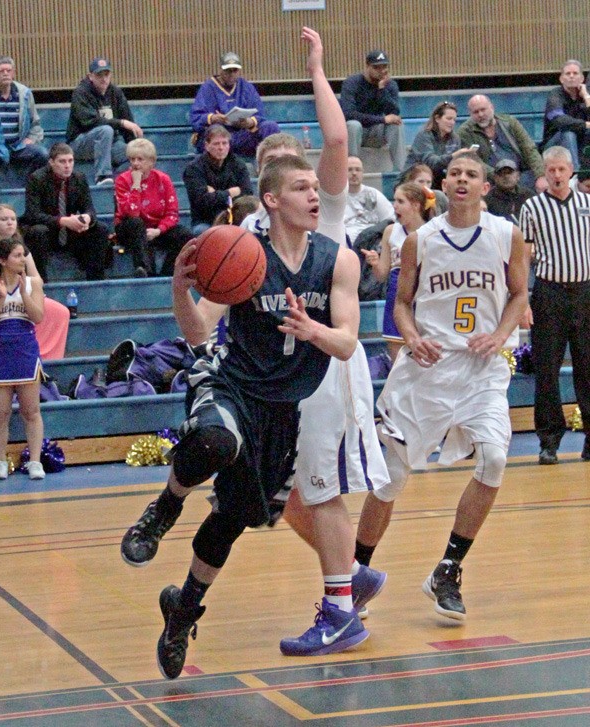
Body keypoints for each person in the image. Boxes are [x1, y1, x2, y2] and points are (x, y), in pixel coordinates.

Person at [120, 152, 365, 678]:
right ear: (272, 200)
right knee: (214, 443)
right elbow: (195, 332)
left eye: (315, 188)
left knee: (233, 520)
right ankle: (163, 508)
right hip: (232, 386)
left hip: (282, 412)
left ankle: (182, 610)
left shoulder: (339, 259)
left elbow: (346, 343)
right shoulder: (240, 252)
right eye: (302, 188)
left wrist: (312, 330)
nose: (315, 195)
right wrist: (179, 290)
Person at [244, 29, 390, 637]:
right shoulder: (248, 231)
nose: (292, 178)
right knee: (283, 497)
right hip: (278, 377)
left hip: (327, 367)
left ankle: (340, 607)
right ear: (263, 183)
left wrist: (316, 69)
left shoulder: (323, 209)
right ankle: (349, 580)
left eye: (297, 169)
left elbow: (335, 136)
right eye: (272, 166)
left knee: (321, 489)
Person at [354, 153, 529, 621]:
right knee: (390, 480)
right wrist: (411, 337)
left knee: (493, 459)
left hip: (480, 369)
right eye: (454, 173)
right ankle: (356, 574)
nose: (462, 180)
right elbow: (402, 304)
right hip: (426, 372)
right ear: (442, 185)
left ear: (485, 187)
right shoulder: (420, 241)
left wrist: (500, 335)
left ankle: (448, 568)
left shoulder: (506, 235)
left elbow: (519, 295)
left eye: (472, 174)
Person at [519, 146, 590, 464]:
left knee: (588, 368)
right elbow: (523, 257)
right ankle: (549, 441)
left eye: (562, 169)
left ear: (572, 170)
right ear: (544, 173)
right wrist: (521, 299)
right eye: (551, 170)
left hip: (586, 292)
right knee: (546, 370)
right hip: (549, 294)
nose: (557, 175)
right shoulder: (532, 207)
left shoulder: (588, 204)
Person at [361, 182, 435, 363]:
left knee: (428, 359)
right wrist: (375, 263)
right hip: (396, 298)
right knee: (398, 364)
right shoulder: (390, 231)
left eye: (400, 201)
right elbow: (382, 275)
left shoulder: (434, 231)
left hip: (426, 297)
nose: (395, 206)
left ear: (416, 205)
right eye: (395, 201)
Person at [0, 238, 45, 480]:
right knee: (0, 412)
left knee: (31, 411)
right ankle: (0, 461)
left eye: (23, 255)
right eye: (17, 256)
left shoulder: (33, 284)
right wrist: (1, 299)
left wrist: (23, 294)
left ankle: (35, 461)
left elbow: (38, 317)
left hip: (25, 350)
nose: (23, 260)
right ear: (3, 260)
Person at [21, 142, 111, 281]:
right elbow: (32, 214)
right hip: (48, 232)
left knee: (100, 229)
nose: (67, 165)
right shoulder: (36, 179)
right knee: (38, 231)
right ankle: (40, 282)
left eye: (70, 161)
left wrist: (86, 218)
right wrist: (62, 221)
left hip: (71, 234)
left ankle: (96, 279)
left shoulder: (79, 178)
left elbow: (90, 209)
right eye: (62, 161)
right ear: (51, 162)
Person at [0, 203, 69, 360]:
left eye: (13, 219)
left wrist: (34, 290)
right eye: (4, 219)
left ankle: (46, 357)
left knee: (60, 312)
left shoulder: (21, 248)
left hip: (20, 291)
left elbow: (36, 278)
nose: (10, 222)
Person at [114, 138, 191, 277]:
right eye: (132, 159)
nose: (135, 164)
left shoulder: (163, 179)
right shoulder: (122, 180)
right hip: (130, 228)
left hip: (156, 228)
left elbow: (172, 212)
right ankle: (144, 270)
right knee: (136, 224)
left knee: (184, 235)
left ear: (152, 162)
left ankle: (168, 274)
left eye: (140, 159)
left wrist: (158, 230)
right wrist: (136, 185)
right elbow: (132, 213)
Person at [66, 57, 143, 186]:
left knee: (136, 154)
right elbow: (89, 121)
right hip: (80, 144)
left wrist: (135, 144)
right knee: (105, 130)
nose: (104, 79)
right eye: (99, 75)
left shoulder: (116, 92)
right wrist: (121, 123)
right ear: (90, 76)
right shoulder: (80, 92)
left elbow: (128, 122)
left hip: (111, 143)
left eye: (106, 74)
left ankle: (120, 183)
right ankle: (102, 176)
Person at [191, 52, 280, 158]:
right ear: (221, 70)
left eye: (235, 70)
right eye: (228, 71)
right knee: (216, 129)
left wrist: (249, 122)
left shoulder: (246, 86)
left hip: (241, 134)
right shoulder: (208, 88)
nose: (231, 74)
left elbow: (260, 114)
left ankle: (268, 165)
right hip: (219, 137)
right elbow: (195, 119)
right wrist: (213, 118)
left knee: (270, 126)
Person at [458, 94, 547, 192]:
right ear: (470, 114)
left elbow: (529, 149)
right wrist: (499, 177)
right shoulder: (465, 132)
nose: (480, 114)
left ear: (492, 107)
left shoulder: (510, 122)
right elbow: (474, 161)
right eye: (476, 112)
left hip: (521, 175)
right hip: (490, 180)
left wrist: (541, 175)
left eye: (483, 110)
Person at [340, 50, 407, 171]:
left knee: (396, 124)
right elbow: (348, 114)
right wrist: (382, 119)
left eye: (384, 67)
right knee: (353, 125)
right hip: (357, 133)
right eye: (376, 67)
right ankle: (352, 168)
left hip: (377, 133)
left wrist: (381, 90)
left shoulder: (390, 85)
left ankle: (401, 172)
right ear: (367, 67)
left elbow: (394, 113)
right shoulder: (352, 83)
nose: (381, 71)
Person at [183, 125, 253, 235]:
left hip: (235, 219)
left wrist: (214, 194)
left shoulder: (238, 164)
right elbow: (201, 201)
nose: (221, 147)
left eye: (224, 143)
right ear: (207, 146)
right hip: (206, 220)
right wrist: (230, 193)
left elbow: (247, 194)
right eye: (216, 144)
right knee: (202, 232)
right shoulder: (194, 168)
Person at [0, 55, 48, 187]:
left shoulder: (25, 94)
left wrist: (32, 139)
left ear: (14, 73)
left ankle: (30, 188)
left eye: (8, 70)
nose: (5, 74)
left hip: (19, 146)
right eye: (1, 71)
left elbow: (36, 125)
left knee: (43, 154)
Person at [405, 101, 467, 188]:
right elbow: (432, 163)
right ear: (437, 118)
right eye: (449, 119)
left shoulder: (455, 138)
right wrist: (453, 156)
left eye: (454, 120)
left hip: (439, 181)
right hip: (414, 182)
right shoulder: (424, 136)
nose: (452, 122)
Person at [542, 60, 590, 170]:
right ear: (561, 79)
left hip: (580, 142)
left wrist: (586, 96)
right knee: (568, 133)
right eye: (568, 74)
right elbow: (560, 121)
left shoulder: (585, 94)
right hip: (554, 144)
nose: (571, 76)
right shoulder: (555, 95)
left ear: (582, 78)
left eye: (575, 73)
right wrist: (585, 124)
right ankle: (575, 174)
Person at [344, 155, 395, 244]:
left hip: (371, 243)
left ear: (362, 173)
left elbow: (390, 220)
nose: (354, 173)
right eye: (350, 170)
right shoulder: (337, 198)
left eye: (358, 169)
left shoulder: (374, 194)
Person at [485, 159, 534, 223]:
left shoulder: (529, 196)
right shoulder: (487, 199)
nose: (506, 176)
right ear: (495, 178)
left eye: (509, 172)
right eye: (501, 173)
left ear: (518, 176)